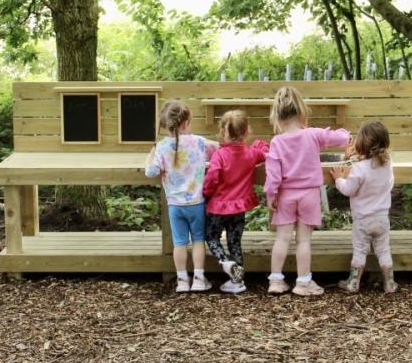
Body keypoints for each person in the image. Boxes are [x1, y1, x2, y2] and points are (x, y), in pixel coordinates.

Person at [264, 86, 350, 296]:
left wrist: (270, 196)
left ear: (278, 116)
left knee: (282, 238)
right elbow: (342, 138)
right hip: (309, 195)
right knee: (303, 240)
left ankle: (276, 281)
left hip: (285, 195)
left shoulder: (276, 142)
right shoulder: (313, 135)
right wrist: (344, 133)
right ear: (301, 111)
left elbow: (273, 174)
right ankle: (303, 283)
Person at [145, 100, 220, 293]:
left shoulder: (161, 147)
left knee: (179, 243)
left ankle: (182, 281)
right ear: (186, 122)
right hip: (197, 203)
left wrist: (150, 155)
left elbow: (151, 172)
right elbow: (218, 150)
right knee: (198, 240)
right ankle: (199, 279)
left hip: (175, 206)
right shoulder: (199, 142)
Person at [203, 110, 269, 294]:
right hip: (239, 208)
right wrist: (259, 144)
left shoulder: (219, 155)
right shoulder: (251, 153)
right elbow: (265, 152)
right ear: (246, 131)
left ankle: (225, 263)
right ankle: (237, 281)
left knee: (212, 237)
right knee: (235, 242)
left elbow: (212, 178)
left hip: (217, 207)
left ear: (223, 132)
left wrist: (205, 192)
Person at [330, 121, 398, 294]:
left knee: (360, 251)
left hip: (363, 219)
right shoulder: (388, 164)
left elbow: (348, 190)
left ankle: (353, 283)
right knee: (383, 250)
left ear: (362, 143)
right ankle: (390, 283)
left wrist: (339, 179)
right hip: (382, 218)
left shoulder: (359, 168)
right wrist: (351, 157)